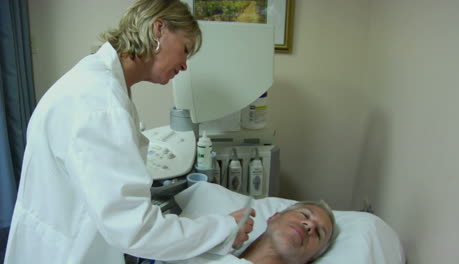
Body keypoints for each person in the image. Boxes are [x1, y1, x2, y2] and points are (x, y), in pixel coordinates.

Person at [3, 0, 254, 263]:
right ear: (159, 29)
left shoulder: (99, 81)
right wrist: (223, 229)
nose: (184, 66)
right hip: (67, 252)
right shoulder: (100, 102)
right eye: (185, 49)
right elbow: (135, 229)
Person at [239, 201, 336, 264]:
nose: (310, 225)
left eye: (318, 233)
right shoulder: (224, 243)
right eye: (304, 214)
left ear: (310, 258)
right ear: (274, 217)